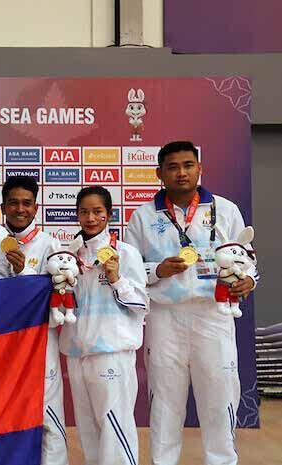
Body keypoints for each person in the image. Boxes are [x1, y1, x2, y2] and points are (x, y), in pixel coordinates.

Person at [124, 141, 258, 465]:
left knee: (220, 396)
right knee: (165, 400)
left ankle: (222, 460)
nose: (181, 173)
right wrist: (157, 270)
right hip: (164, 318)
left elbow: (248, 259)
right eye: (173, 167)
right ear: (160, 173)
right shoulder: (142, 217)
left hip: (213, 313)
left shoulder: (226, 210)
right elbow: (128, 273)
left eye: (188, 165)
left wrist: (250, 280)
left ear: (200, 168)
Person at [61, 186, 148, 465]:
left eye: (97, 211)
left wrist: (116, 279)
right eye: (84, 212)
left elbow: (142, 305)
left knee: (115, 427)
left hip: (112, 353)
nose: (90, 218)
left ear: (109, 214)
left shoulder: (126, 253)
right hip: (76, 353)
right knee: (88, 429)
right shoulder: (69, 255)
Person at [0, 176, 67, 465]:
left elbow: (59, 296)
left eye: (26, 203)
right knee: (3, 412)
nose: (20, 209)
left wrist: (23, 275)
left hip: (40, 340)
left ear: (36, 208)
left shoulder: (50, 244)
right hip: (0, 340)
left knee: (48, 411)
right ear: (3, 207)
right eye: (13, 203)